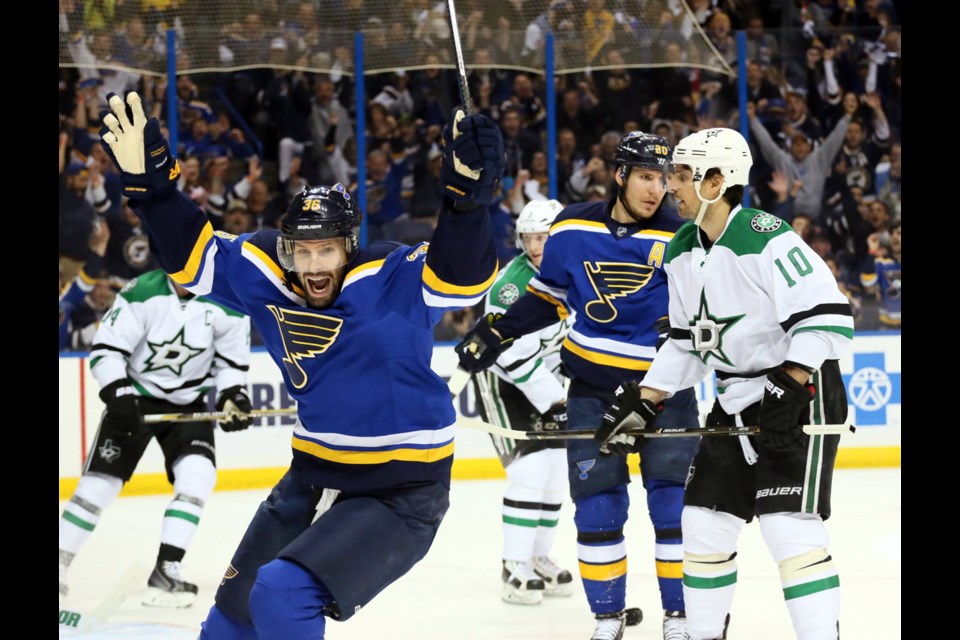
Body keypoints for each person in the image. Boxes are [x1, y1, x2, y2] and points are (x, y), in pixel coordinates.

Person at [97, 92, 503, 639]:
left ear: (349, 246)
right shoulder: (266, 271)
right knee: (228, 621)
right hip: (312, 473)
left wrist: (467, 203)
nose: (312, 266)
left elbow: (462, 279)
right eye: (302, 251)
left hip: (402, 489)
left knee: (282, 592)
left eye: (326, 251)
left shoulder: (390, 275)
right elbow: (194, 259)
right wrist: (155, 188)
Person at [594, 128, 854, 640]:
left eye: (683, 176)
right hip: (735, 401)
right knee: (703, 524)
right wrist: (646, 400)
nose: (672, 187)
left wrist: (791, 380)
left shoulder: (764, 235)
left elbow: (830, 317)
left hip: (800, 397)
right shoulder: (681, 249)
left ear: (718, 181)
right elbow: (691, 343)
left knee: (789, 531)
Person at [456, 132, 700, 640]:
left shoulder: (682, 237)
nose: (657, 190)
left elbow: (702, 318)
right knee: (598, 506)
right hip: (592, 389)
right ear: (620, 176)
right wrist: (498, 329)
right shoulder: (570, 227)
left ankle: (679, 618)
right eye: (646, 177)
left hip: (664, 394)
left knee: (673, 509)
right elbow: (549, 296)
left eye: (663, 178)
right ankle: (608, 619)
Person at [58, 269, 252, 608]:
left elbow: (231, 363)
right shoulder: (142, 292)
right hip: (134, 397)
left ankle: (166, 570)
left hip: (188, 405)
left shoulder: (229, 298)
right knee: (98, 487)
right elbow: (107, 350)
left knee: (198, 478)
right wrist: (118, 393)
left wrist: (232, 395)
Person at [470, 198, 574, 605]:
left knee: (554, 474)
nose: (534, 248)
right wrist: (554, 401)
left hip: (546, 382)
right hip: (503, 383)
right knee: (530, 470)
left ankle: (538, 556)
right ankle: (514, 565)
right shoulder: (511, 285)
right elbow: (510, 355)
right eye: (529, 239)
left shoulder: (573, 272)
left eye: (543, 238)